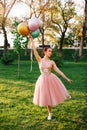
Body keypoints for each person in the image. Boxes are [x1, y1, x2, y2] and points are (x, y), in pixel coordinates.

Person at [28, 35, 73, 120]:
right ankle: (50, 113)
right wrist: (31, 40)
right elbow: (34, 51)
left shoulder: (52, 62)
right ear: (44, 52)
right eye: (49, 51)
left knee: (50, 96)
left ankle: (50, 113)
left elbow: (59, 71)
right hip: (42, 80)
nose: (50, 53)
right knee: (45, 96)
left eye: (51, 51)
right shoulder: (40, 60)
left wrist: (67, 79)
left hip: (51, 79)